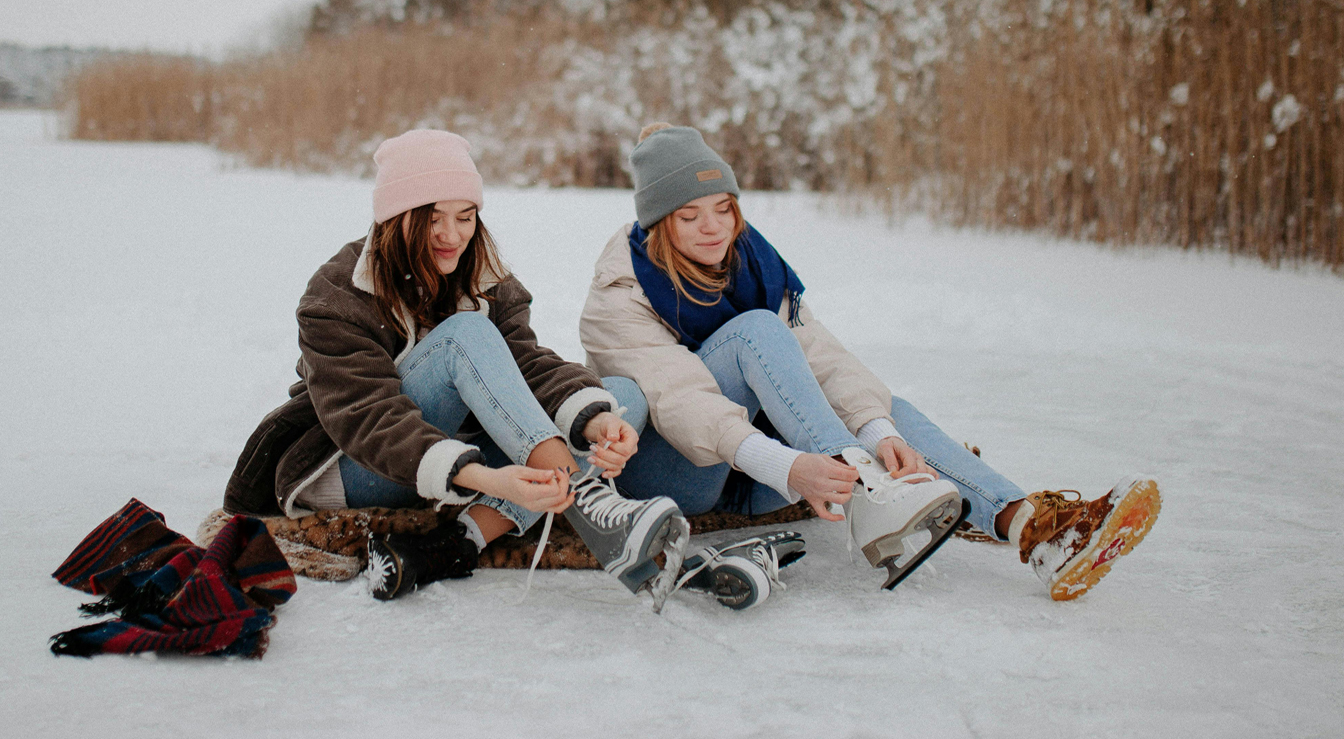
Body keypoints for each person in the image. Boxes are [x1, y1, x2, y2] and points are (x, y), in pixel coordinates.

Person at [579, 123, 1162, 600]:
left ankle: (1030, 528)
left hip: (765, 470)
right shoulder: (620, 291)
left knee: (887, 412)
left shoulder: (752, 264)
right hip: (680, 469)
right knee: (756, 331)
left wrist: (877, 430)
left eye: (723, 208)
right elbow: (686, 404)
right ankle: (869, 492)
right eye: (689, 215)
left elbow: (824, 361)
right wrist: (793, 467)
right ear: (658, 222)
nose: (714, 228)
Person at [222, 129, 689, 605]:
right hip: (353, 465)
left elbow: (526, 363)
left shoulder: (485, 277)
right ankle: (591, 504)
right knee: (466, 336)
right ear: (391, 220)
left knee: (618, 397)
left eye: (465, 217)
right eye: (431, 220)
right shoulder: (336, 295)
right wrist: (487, 478)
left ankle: (453, 544)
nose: (451, 236)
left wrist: (599, 422)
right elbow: (368, 421)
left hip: (450, 456)